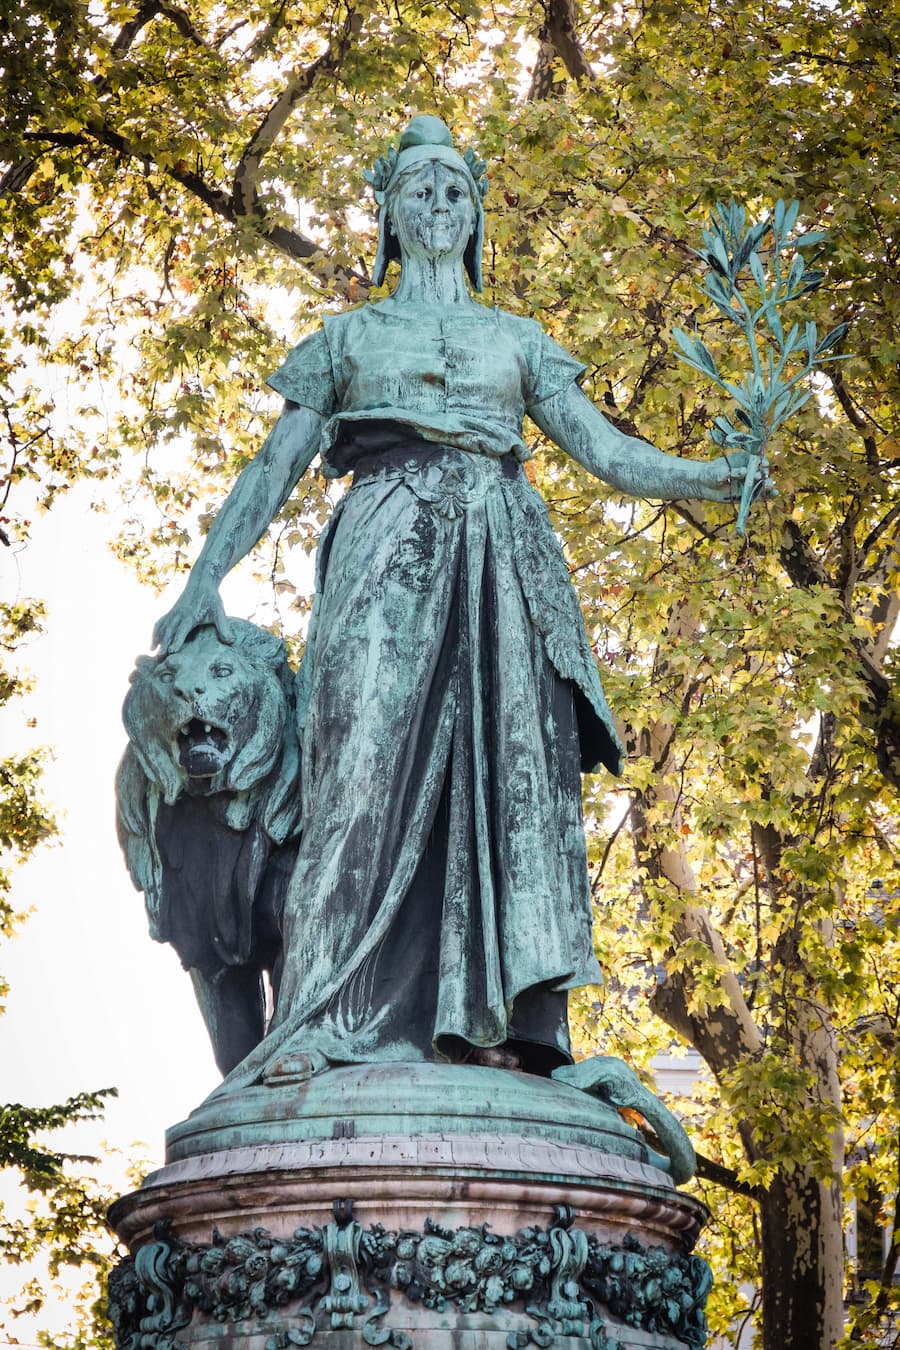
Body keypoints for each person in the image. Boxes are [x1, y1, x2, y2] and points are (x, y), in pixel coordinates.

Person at [153, 115, 770, 1090]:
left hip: (500, 558)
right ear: (389, 216)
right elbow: (274, 466)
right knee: (352, 767)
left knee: (509, 776)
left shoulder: (517, 340)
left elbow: (605, 451)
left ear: (474, 216)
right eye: (420, 189)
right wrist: (205, 573)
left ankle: (501, 1028)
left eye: (456, 189)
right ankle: (322, 1013)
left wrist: (713, 474)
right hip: (383, 545)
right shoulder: (348, 340)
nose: (440, 201)